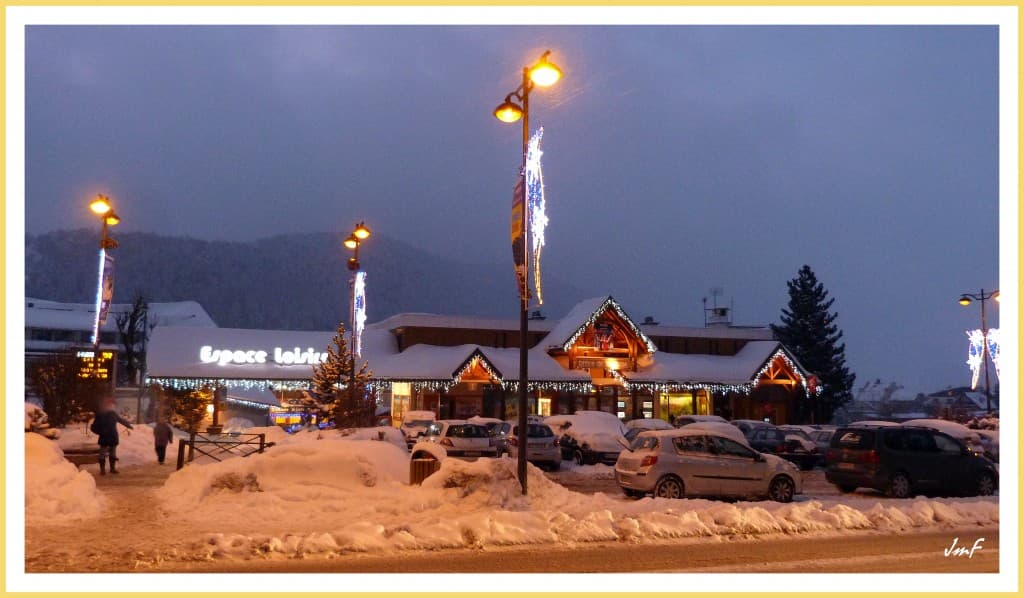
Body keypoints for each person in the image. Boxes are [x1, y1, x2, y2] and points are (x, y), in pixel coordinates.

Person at [91, 398, 133, 475]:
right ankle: (102, 470)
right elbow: (94, 426)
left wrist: (128, 425)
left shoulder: (113, 414)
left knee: (112, 454)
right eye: (109, 405)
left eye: (111, 405)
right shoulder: (100, 414)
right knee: (102, 454)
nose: (111, 406)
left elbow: (121, 420)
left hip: (112, 436)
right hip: (104, 437)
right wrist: (100, 432)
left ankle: (112, 468)